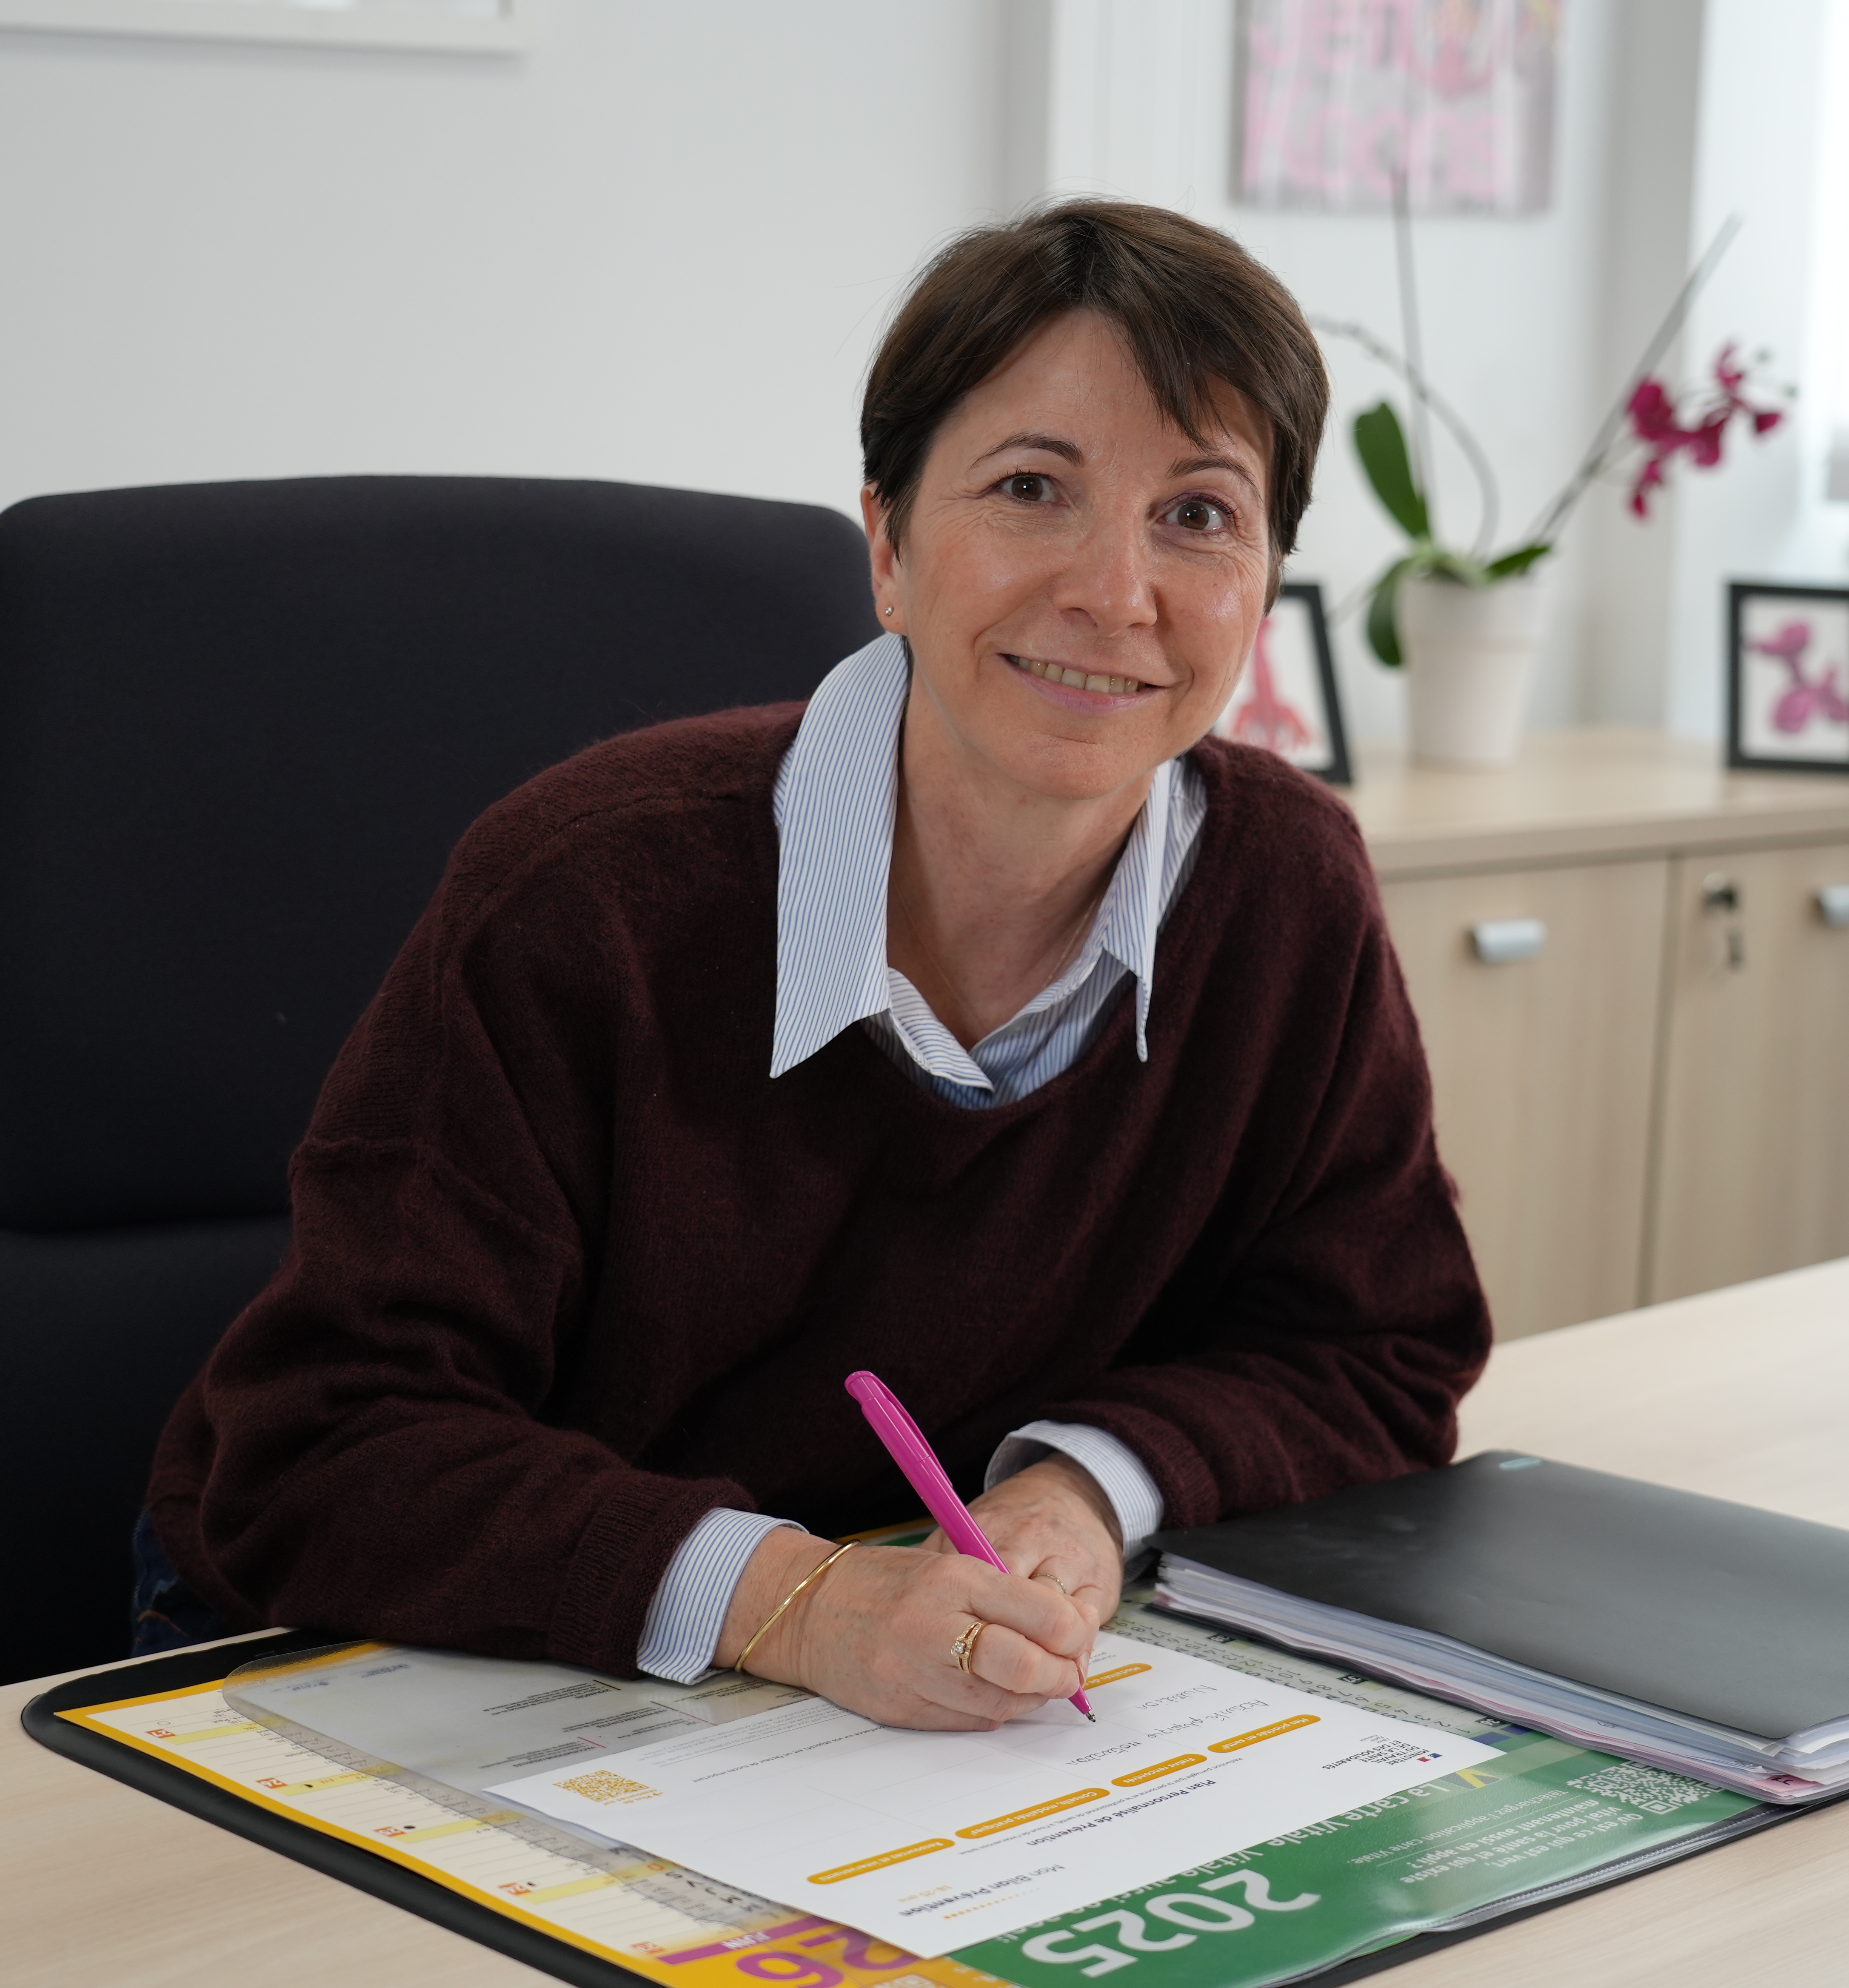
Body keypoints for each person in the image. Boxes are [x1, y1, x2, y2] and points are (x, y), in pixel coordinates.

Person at [140, 200, 1490, 1731]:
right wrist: (792, 1600)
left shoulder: (1284, 888)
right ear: (891, 549)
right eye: (1033, 488)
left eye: (1198, 515)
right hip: (422, 1662)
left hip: (862, 1715)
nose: (1119, 592)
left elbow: (1377, 1345)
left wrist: (1087, 1488)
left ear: (1264, 583)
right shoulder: (587, 892)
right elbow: (323, 1449)